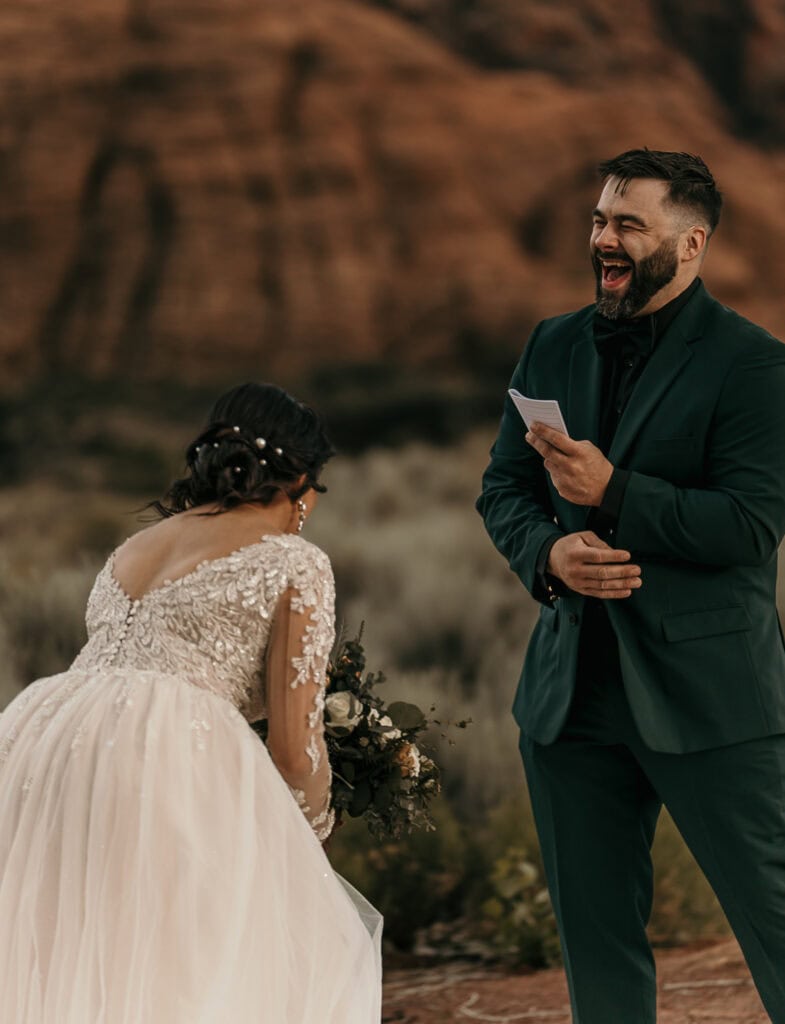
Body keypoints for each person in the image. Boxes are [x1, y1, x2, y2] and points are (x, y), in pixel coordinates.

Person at [477, 149, 785, 1023]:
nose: (603, 241)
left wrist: (613, 492)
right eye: (599, 221)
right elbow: (500, 488)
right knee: (597, 948)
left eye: (627, 225)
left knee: (776, 922)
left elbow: (749, 525)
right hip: (570, 699)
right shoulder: (550, 341)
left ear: (689, 245)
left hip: (713, 702)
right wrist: (547, 553)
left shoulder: (755, 366)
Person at [0, 382, 382, 1023]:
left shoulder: (135, 546)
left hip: (43, 739)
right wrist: (311, 827)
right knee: (177, 966)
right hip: (162, 761)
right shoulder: (296, 563)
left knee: (69, 949)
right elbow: (293, 751)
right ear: (299, 481)